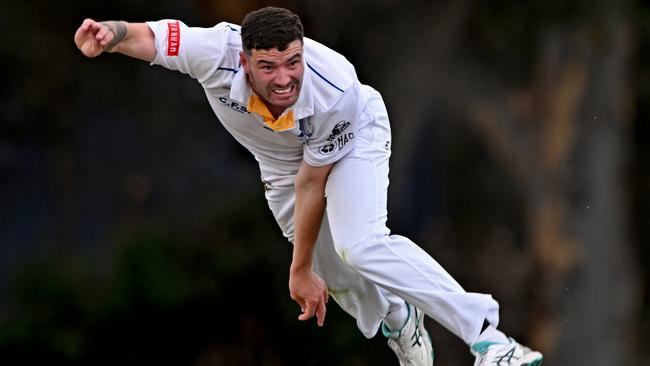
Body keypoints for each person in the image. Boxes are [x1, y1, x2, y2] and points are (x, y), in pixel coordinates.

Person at [74, 7, 543, 366]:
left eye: (292, 62)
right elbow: (146, 36)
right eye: (269, 67)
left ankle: (491, 338)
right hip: (280, 166)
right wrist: (107, 36)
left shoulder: (332, 87)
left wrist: (297, 269)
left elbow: (313, 184)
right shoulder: (211, 52)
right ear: (244, 60)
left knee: (358, 246)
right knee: (335, 277)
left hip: (354, 135)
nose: (284, 79)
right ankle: (396, 317)